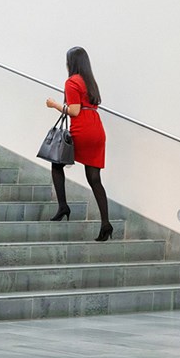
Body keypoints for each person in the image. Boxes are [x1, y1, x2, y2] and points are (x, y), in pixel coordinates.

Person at [45, 46, 112, 241]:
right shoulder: (91, 82)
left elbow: (74, 110)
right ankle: (106, 224)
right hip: (97, 130)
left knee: (56, 162)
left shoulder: (72, 81)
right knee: (94, 179)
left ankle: (63, 206)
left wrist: (54, 104)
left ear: (71, 63)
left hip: (82, 129)